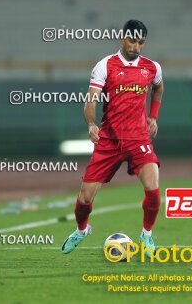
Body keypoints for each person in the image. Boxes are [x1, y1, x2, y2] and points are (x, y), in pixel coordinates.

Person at [61, 20, 164, 257]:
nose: (136, 47)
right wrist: (91, 124)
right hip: (109, 140)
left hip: (139, 139)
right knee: (85, 199)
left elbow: (158, 88)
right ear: (122, 37)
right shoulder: (105, 65)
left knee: (153, 188)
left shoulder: (152, 67)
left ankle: (147, 235)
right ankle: (82, 229)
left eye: (141, 43)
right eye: (132, 41)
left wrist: (153, 117)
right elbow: (92, 99)